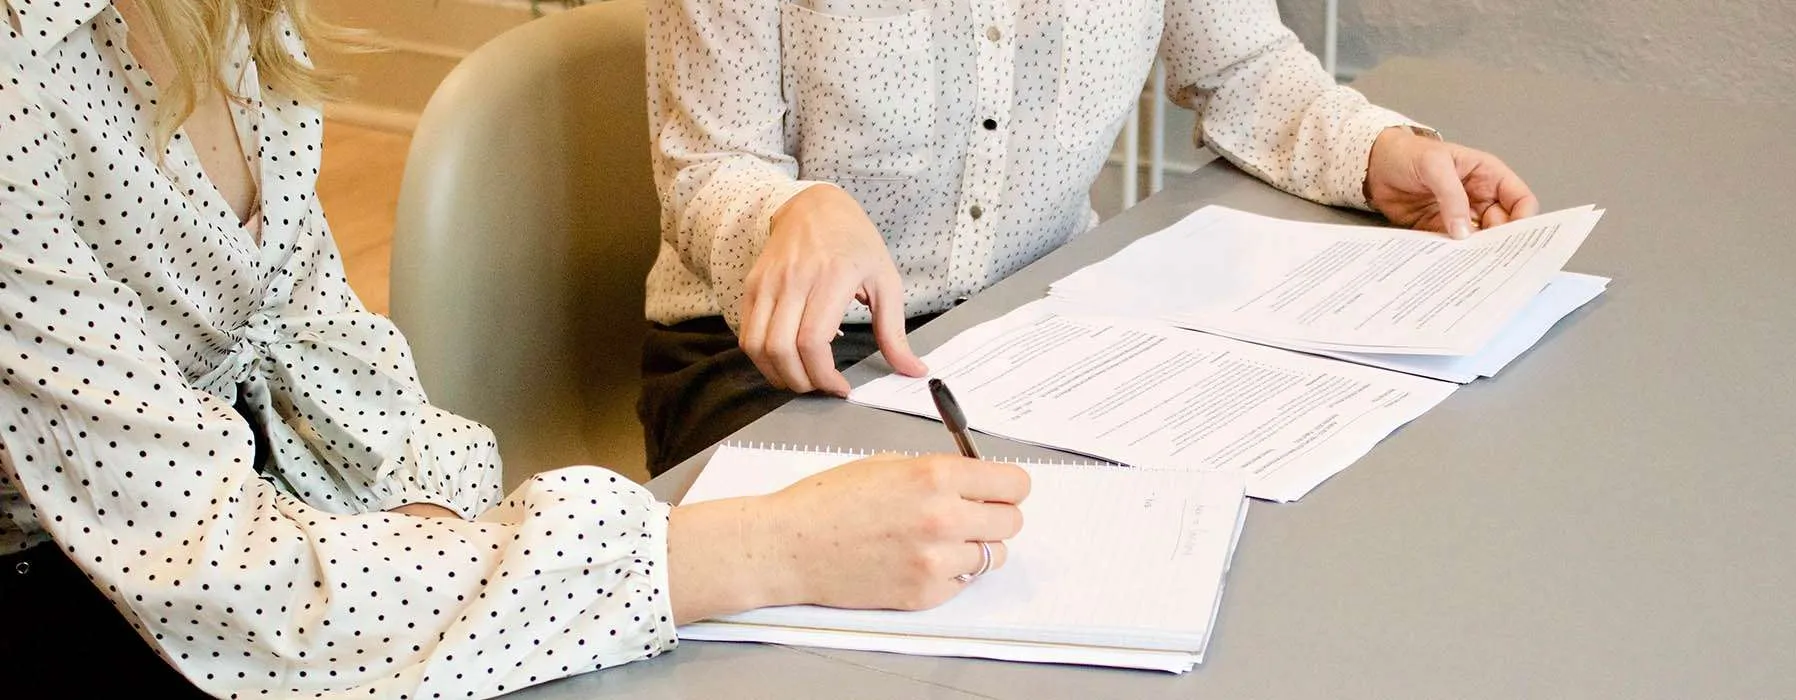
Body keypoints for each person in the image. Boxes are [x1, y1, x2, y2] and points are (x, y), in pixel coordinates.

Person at [0, 1, 1029, 696]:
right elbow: (224, 577)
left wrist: (440, 527)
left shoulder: (232, 22)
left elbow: (316, 343)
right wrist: (767, 549)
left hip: (246, 520)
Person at [641, 0, 1542, 473]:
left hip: (1035, 324)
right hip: (770, 352)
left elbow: (1245, 67)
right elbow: (707, 163)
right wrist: (789, 212)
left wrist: (1378, 150)